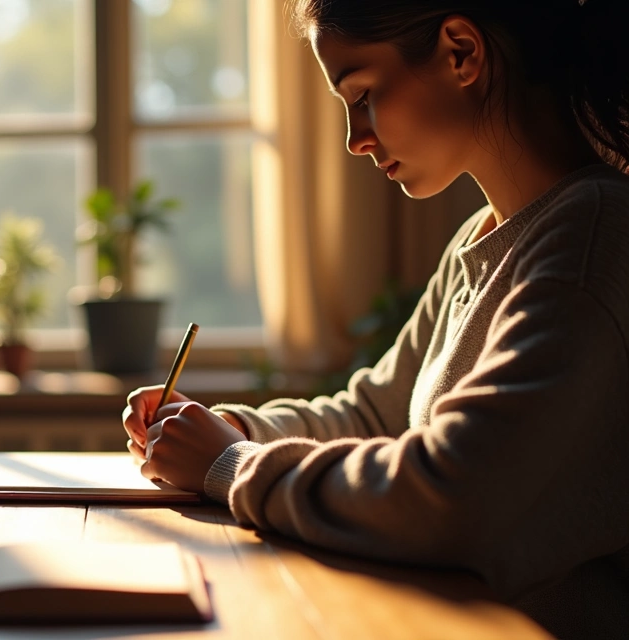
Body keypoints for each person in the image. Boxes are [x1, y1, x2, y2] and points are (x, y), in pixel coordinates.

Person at [122, 1, 629, 636]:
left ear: (460, 53)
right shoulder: (485, 237)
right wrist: (226, 428)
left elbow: (455, 502)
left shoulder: (592, 240)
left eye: (361, 94)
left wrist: (230, 466)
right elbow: (376, 416)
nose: (354, 138)